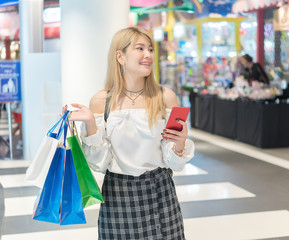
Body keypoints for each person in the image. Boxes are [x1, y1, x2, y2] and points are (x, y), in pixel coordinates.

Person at [63, 27, 195, 240]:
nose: (148, 55)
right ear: (120, 56)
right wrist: (90, 123)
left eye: (150, 49)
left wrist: (180, 145)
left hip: (160, 190)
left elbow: (174, 163)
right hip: (118, 193)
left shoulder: (165, 97)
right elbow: (99, 162)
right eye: (140, 48)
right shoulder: (102, 100)